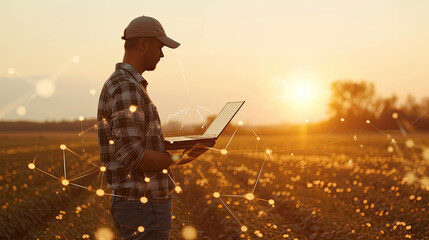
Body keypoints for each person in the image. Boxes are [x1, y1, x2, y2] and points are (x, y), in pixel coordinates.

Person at [97, 15, 209, 240]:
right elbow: (132, 153)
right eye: (159, 46)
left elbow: (136, 143)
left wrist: (181, 150)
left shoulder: (125, 84)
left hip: (138, 205)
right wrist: (177, 159)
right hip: (143, 205)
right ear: (142, 43)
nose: (162, 54)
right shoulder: (126, 87)